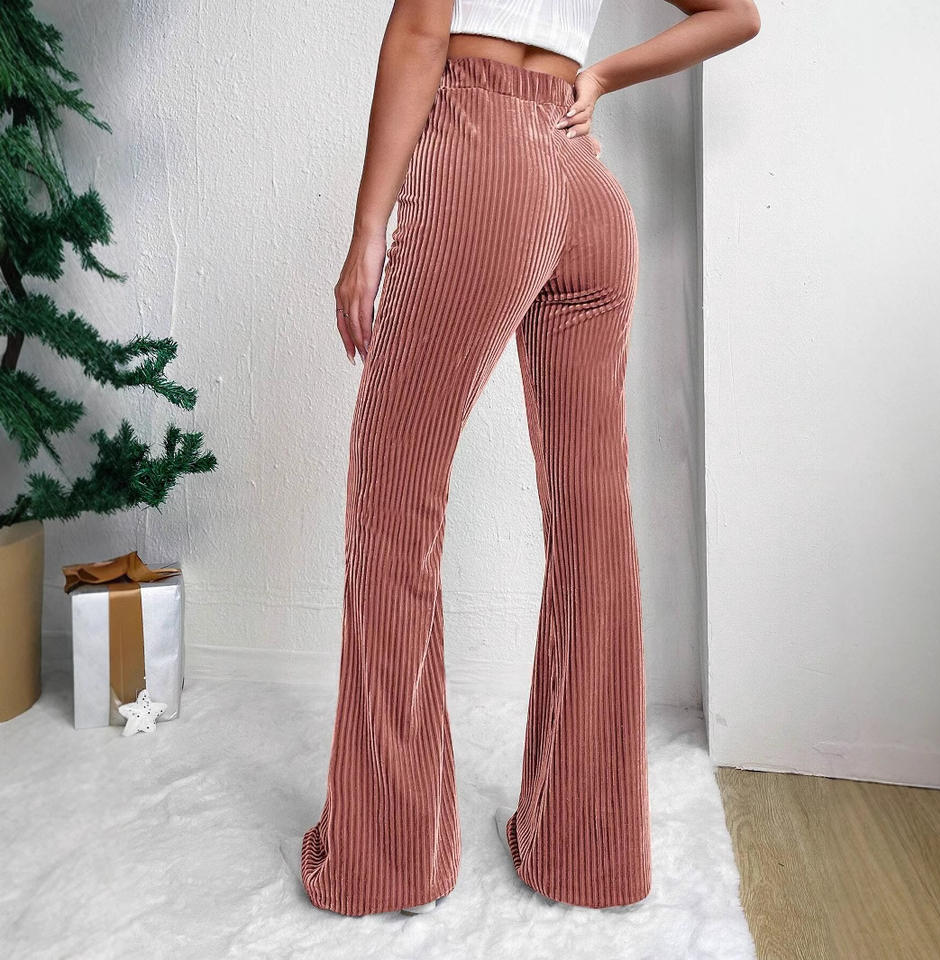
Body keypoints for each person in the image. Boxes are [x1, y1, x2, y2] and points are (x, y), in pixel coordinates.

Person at [301, 0, 761, 918]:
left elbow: (422, 33)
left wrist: (367, 231)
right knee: (593, 520)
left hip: (483, 156)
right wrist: (600, 77)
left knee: (394, 495)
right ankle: (588, 850)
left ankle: (390, 859)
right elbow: (737, 14)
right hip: (583, 180)